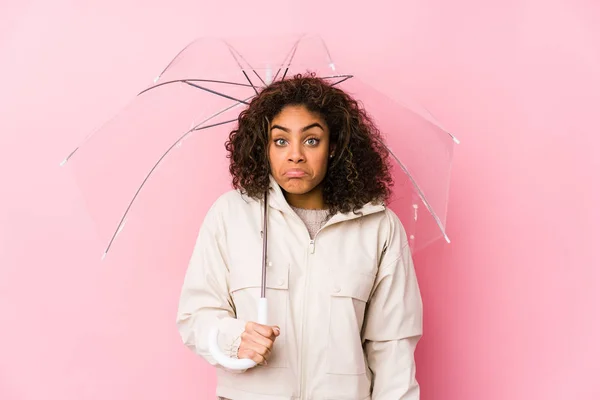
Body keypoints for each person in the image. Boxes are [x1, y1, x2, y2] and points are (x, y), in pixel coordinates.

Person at [176, 73, 423, 399]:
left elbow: (393, 347)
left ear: (333, 147)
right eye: (280, 141)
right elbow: (196, 317)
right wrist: (235, 338)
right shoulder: (230, 215)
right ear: (263, 148)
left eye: (311, 140)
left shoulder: (379, 227)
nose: (295, 155)